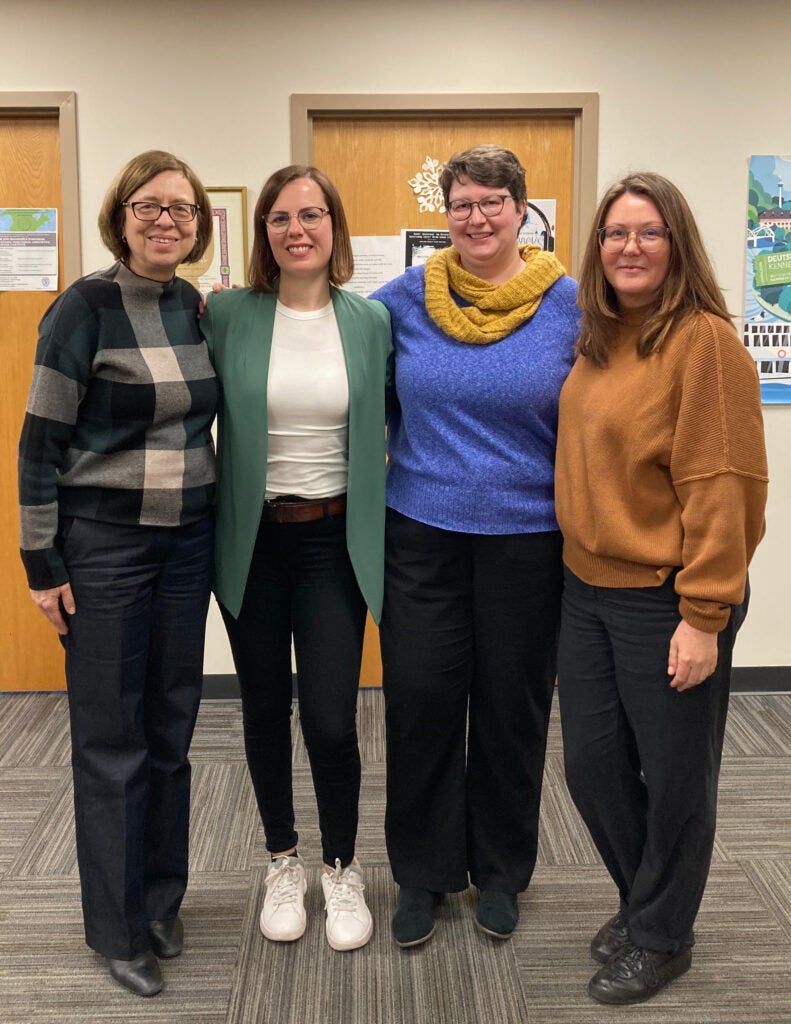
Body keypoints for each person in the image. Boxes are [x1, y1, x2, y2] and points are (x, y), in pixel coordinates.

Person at [555, 172, 768, 1004]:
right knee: (590, 768)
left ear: (676, 242)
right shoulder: (601, 336)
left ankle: (661, 934)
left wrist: (703, 615)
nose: (629, 248)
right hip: (586, 586)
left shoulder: (703, 341)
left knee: (677, 777)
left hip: (669, 594)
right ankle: (648, 901)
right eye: (614, 234)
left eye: (648, 233)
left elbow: (724, 484)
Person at [18, 151, 218, 997]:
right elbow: (38, 444)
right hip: (103, 546)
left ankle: (162, 899)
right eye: (149, 206)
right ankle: (117, 926)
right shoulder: (84, 307)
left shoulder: (195, 307)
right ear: (121, 215)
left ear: (199, 223)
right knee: (111, 739)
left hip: (186, 544)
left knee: (171, 726)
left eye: (181, 208)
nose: (165, 219)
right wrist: (40, 562)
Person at [370, 145, 579, 946]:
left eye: (493, 201)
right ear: (445, 215)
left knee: (510, 710)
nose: (477, 217)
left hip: (527, 543)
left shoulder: (569, 305)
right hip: (420, 533)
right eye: (461, 203)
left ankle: (499, 872)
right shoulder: (403, 301)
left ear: (522, 211)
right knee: (420, 704)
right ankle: (422, 875)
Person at [201, 165, 391, 952]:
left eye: (311, 215)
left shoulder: (370, 320)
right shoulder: (226, 315)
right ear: (264, 234)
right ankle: (282, 859)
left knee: (329, 720)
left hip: (333, 544)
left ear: (334, 228)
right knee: (260, 710)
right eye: (279, 218)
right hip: (252, 538)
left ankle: (340, 867)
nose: (296, 229)